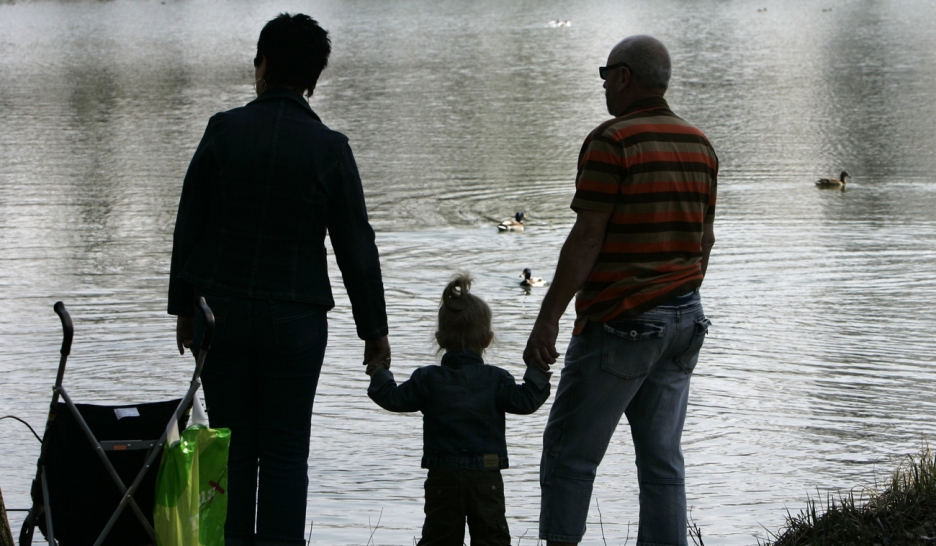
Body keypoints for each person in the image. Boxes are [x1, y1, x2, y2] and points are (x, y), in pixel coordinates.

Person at [167, 13, 390, 546]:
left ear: (262, 65)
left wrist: (183, 307)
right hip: (296, 318)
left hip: (223, 316)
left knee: (235, 448)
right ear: (314, 77)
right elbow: (356, 247)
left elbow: (189, 222)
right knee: (287, 452)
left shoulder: (224, 130)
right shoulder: (330, 148)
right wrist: (374, 332)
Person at [523, 35, 717, 546]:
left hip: (621, 324)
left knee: (570, 454)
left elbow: (587, 237)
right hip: (684, 322)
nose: (605, 83)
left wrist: (549, 317)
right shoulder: (700, 145)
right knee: (662, 462)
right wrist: (678, 295)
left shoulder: (613, 141)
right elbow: (705, 242)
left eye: (606, 73)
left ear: (624, 76)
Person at [367, 274, 551, 546]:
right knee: (492, 539)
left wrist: (379, 370)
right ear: (488, 339)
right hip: (486, 475)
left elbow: (392, 398)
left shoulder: (427, 379)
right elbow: (526, 401)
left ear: (440, 338)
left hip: (443, 476)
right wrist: (537, 368)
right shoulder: (497, 379)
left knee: (439, 539)